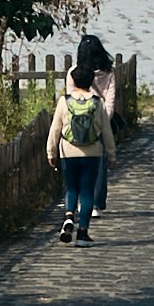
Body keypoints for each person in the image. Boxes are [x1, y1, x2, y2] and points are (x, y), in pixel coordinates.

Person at [44, 40, 114, 242]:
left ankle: (68, 217)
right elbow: (107, 132)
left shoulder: (64, 101)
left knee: (71, 188)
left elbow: (55, 129)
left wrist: (51, 153)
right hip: (92, 152)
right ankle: (82, 232)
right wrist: (111, 154)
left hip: (68, 151)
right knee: (86, 191)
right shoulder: (97, 103)